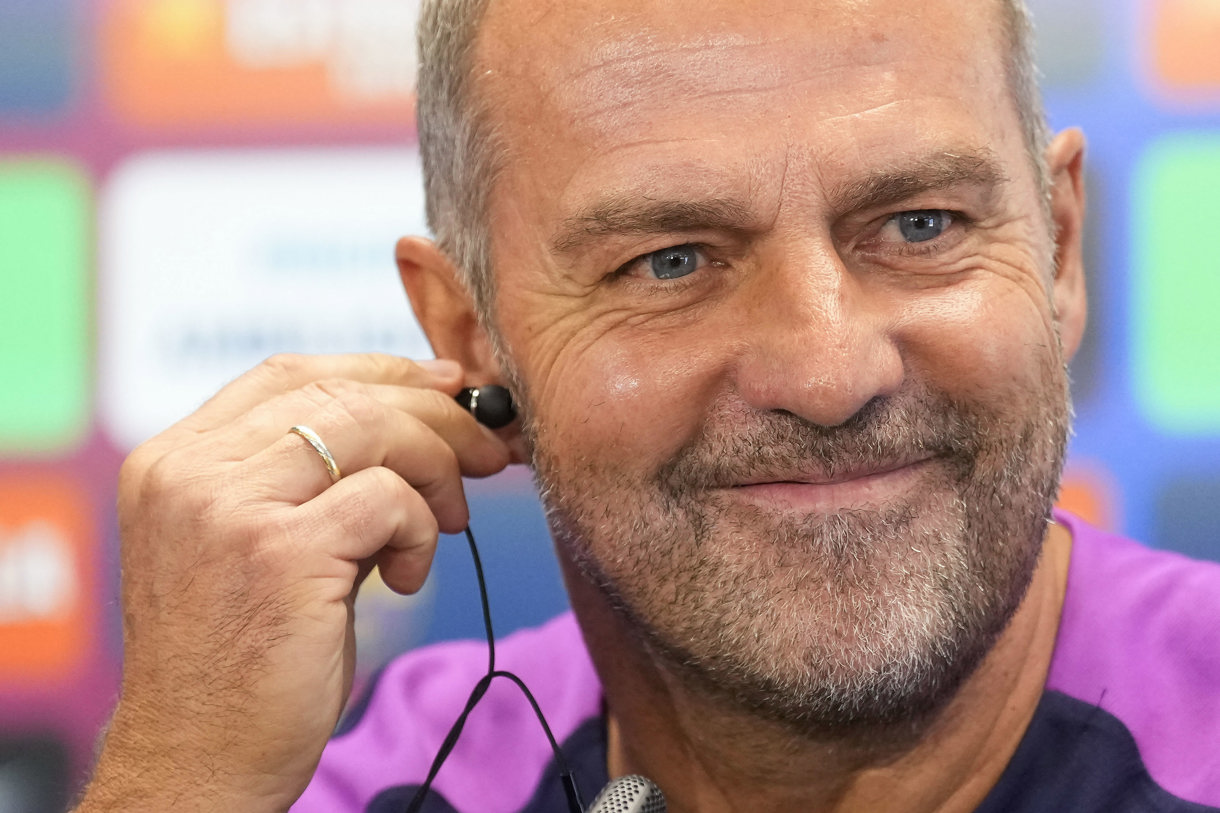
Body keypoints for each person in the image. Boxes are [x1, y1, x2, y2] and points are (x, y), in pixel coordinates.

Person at [74, 0, 1220, 811]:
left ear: (1060, 248)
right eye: (670, 260)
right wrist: (179, 782)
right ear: (469, 333)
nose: (828, 375)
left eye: (919, 225)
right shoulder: (407, 778)